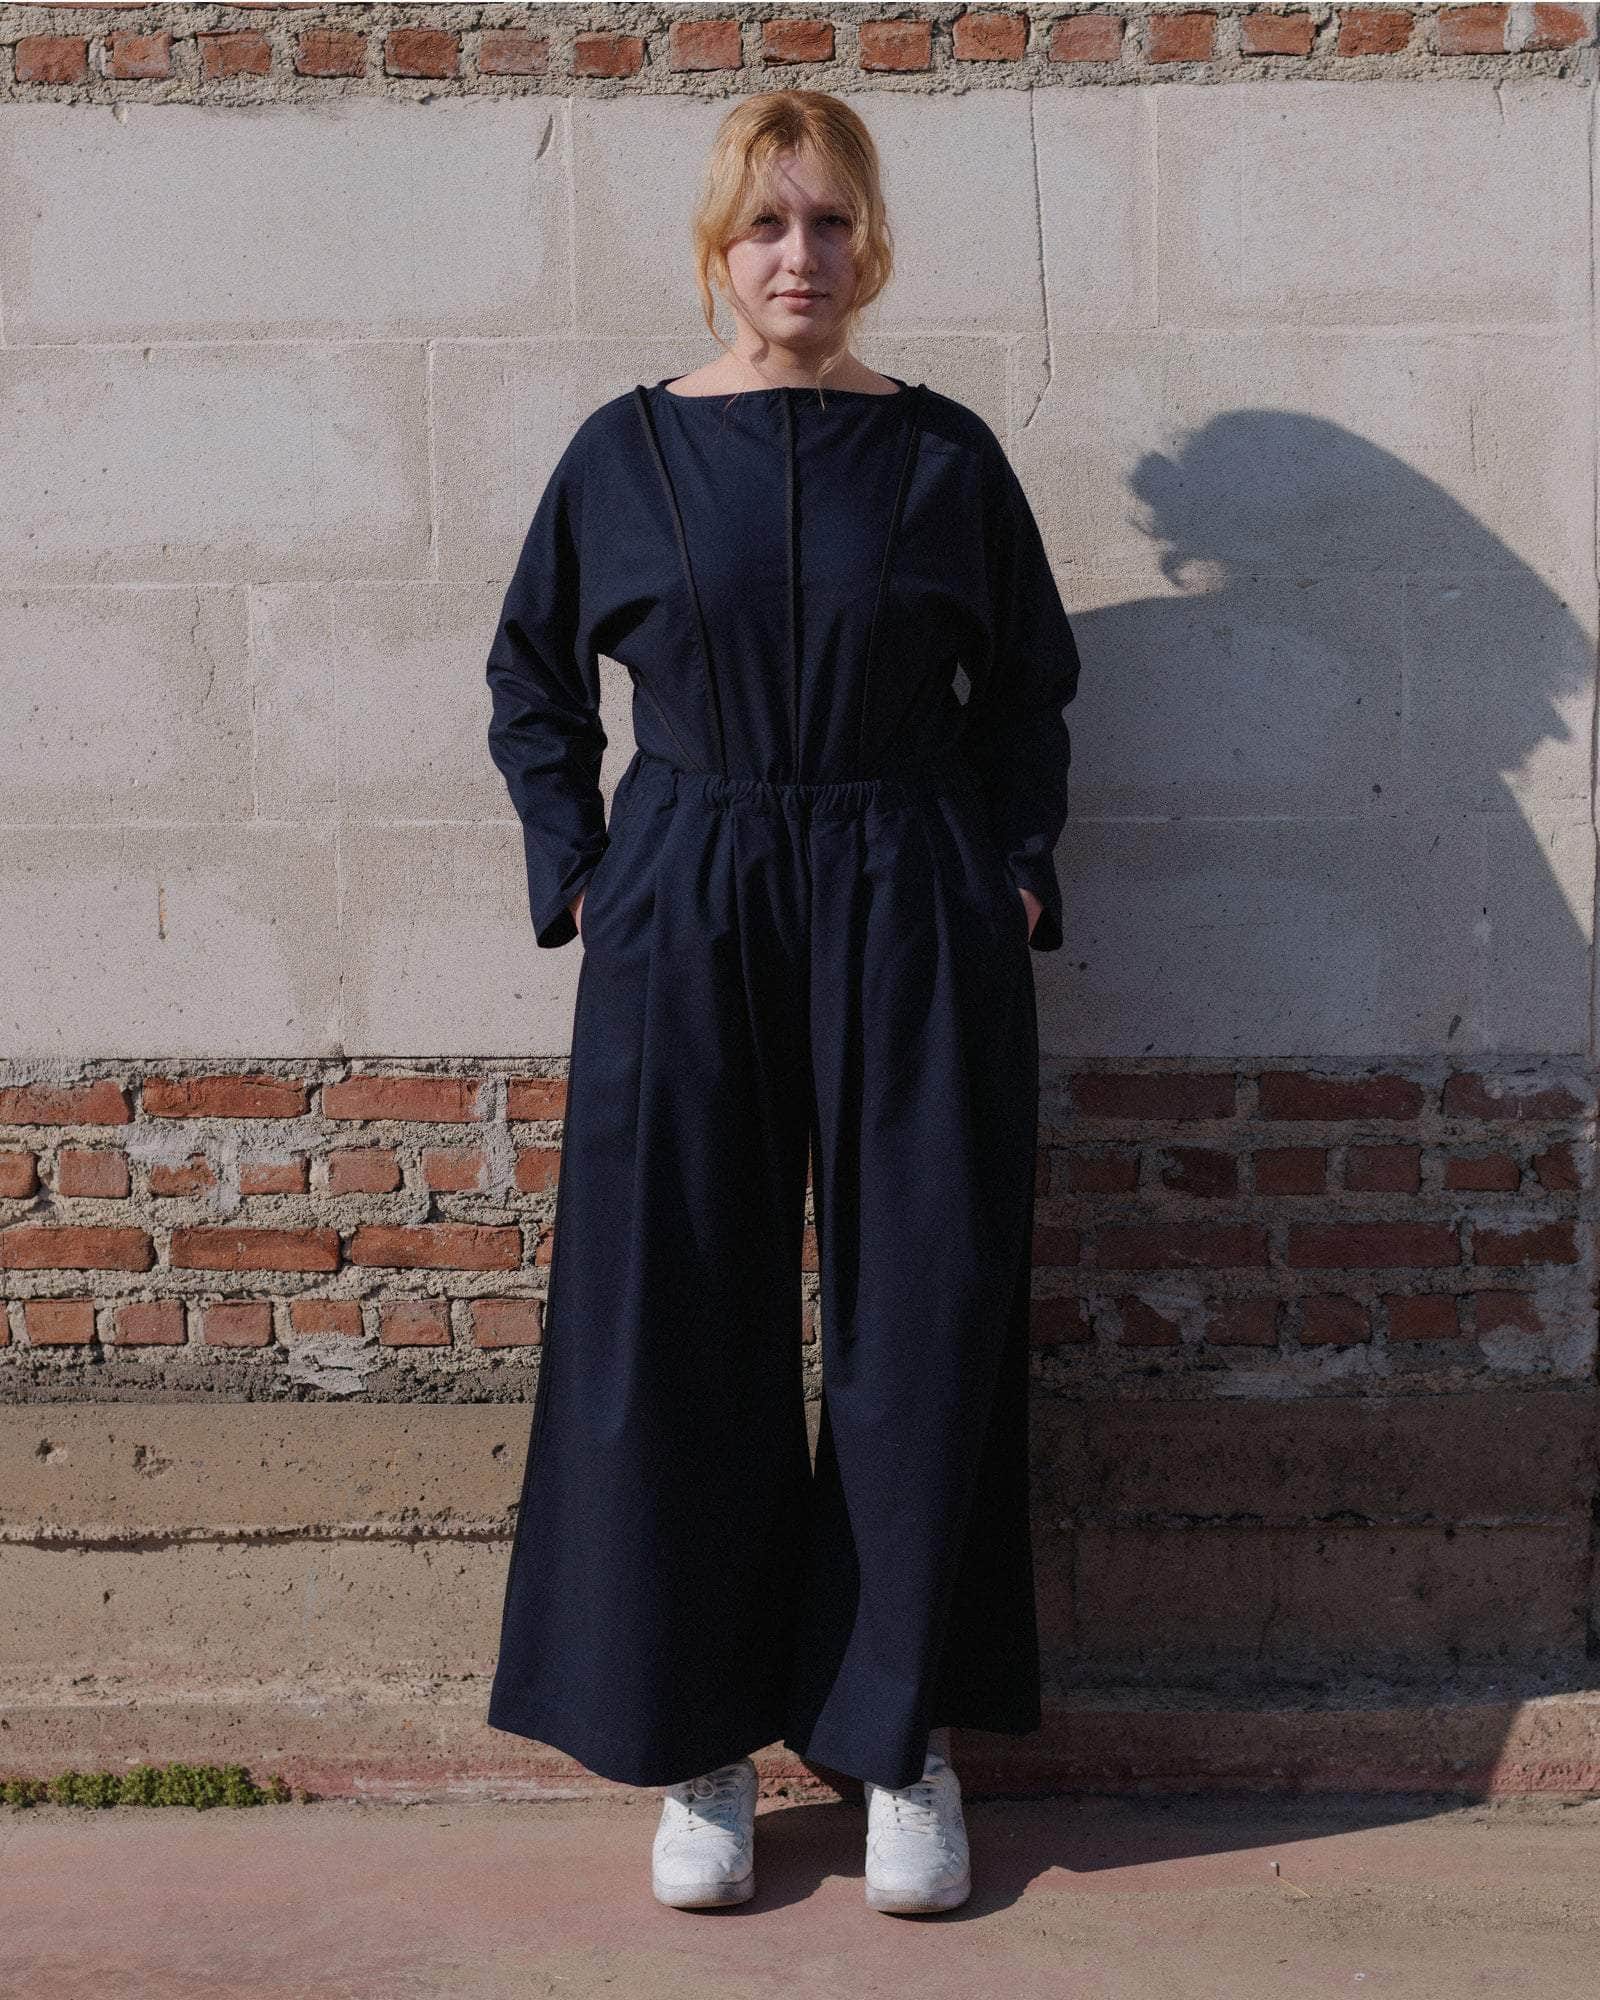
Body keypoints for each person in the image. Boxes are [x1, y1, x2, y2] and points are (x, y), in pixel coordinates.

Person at [484, 88, 1081, 1916]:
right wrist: (580, 866)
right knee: (679, 1308)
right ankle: (702, 1743)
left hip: (911, 883)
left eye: (829, 224)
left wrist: (1013, 865)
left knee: (924, 1309)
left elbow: (1030, 688)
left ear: (868, 242)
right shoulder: (627, 454)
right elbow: (532, 678)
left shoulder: (947, 456)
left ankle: (900, 1743)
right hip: (691, 884)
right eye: (767, 225)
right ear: (718, 248)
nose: (798, 258)